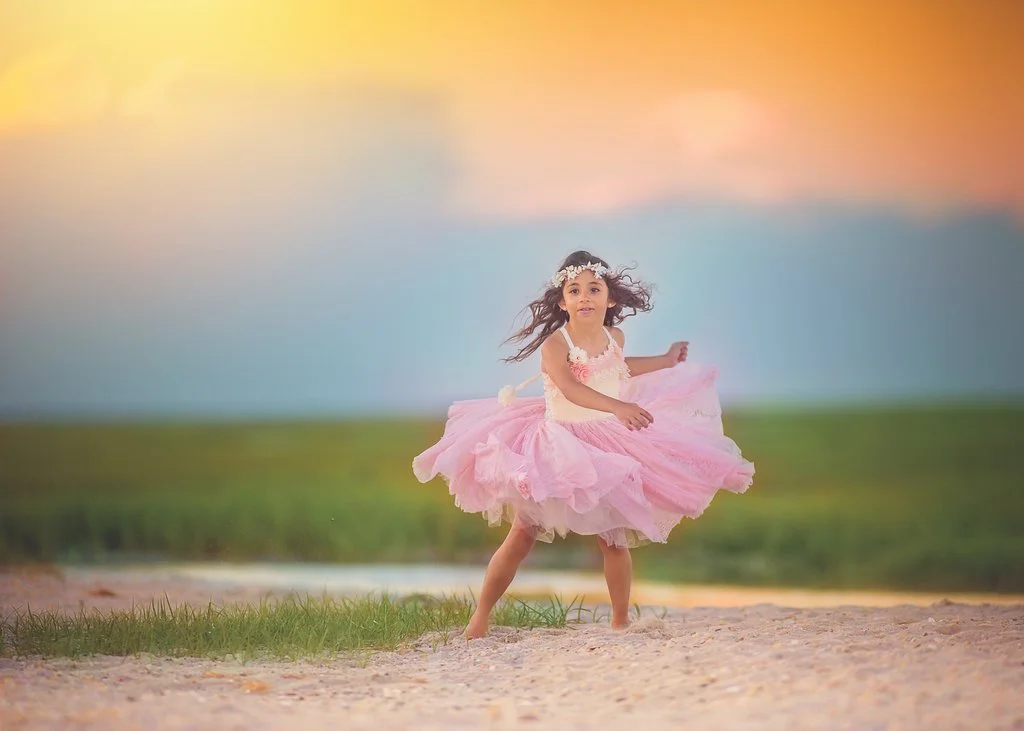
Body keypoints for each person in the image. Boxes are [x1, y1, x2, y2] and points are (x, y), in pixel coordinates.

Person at [413, 250, 754, 638]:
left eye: (594, 289)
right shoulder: (556, 344)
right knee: (523, 532)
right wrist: (619, 406)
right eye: (575, 290)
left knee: (613, 537)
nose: (585, 297)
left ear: (610, 299)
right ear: (563, 302)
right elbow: (571, 389)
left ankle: (621, 619)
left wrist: (665, 359)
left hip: (605, 441)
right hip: (558, 442)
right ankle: (479, 619)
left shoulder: (615, 336)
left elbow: (619, 367)